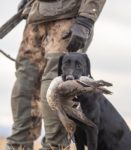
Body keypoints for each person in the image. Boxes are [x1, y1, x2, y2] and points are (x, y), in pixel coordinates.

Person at [5, 0, 106, 149]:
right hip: (36, 15)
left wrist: (86, 19)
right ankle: (18, 146)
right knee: (24, 85)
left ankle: (54, 146)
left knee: (54, 87)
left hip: (69, 17)